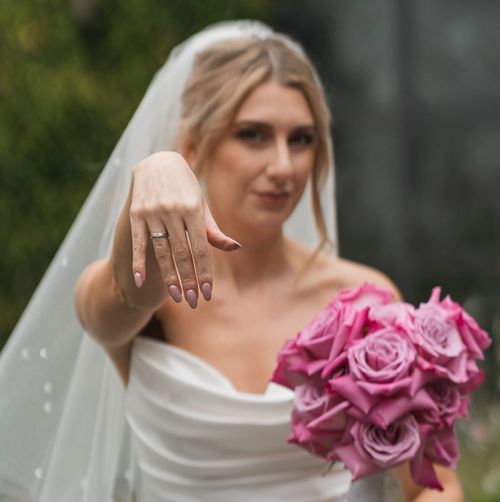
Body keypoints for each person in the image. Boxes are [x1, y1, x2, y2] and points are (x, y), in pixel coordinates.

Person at [0, 21, 462, 501]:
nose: (282, 167)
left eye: (300, 140)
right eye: (253, 135)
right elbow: (121, 294)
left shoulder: (365, 299)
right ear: (194, 146)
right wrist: (157, 169)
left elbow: (433, 485)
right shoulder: (153, 299)